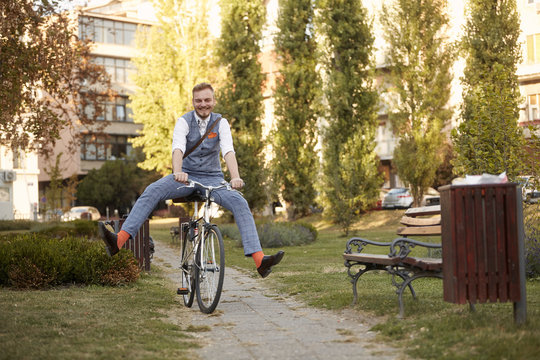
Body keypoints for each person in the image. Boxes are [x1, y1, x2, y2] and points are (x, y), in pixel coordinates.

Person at [99, 82, 284, 278]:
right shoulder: (184, 121)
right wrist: (178, 171)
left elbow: (228, 150)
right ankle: (118, 241)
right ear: (193, 101)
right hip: (185, 177)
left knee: (240, 202)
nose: (203, 104)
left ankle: (260, 261)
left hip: (214, 179)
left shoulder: (221, 122)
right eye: (198, 101)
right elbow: (177, 147)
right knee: (152, 190)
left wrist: (235, 177)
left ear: (213, 101)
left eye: (207, 100)